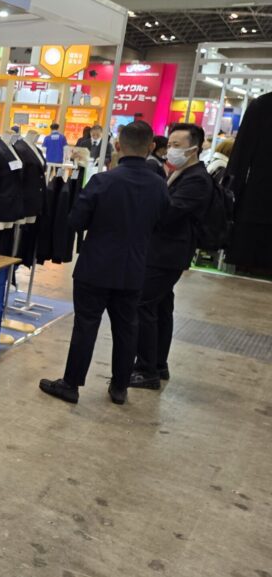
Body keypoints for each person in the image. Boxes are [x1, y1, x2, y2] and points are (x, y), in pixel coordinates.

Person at [39, 121, 169, 405]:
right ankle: (120, 387)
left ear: (118, 145)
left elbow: (76, 221)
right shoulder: (159, 185)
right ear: (150, 147)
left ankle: (71, 384)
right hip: (134, 268)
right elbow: (162, 224)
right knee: (127, 328)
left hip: (95, 266)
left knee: (86, 325)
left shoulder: (102, 181)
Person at [129, 124, 213, 390]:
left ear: (193, 149)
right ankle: (157, 364)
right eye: (170, 144)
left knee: (143, 305)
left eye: (178, 145)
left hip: (167, 254)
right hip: (163, 251)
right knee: (161, 307)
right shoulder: (181, 173)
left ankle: (146, 369)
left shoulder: (197, 179)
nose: (171, 150)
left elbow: (169, 213)